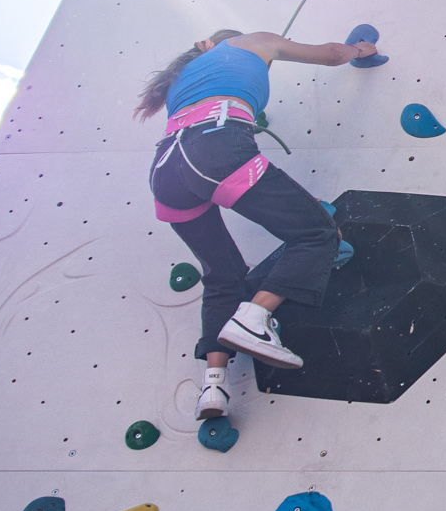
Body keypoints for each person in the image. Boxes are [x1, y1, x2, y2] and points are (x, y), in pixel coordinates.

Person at [135, 29, 375, 420]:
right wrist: (360, 49)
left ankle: (213, 386)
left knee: (222, 276)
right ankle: (255, 318)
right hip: (214, 147)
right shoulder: (252, 41)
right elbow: (331, 54)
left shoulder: (186, 73)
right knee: (317, 233)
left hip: (167, 171)